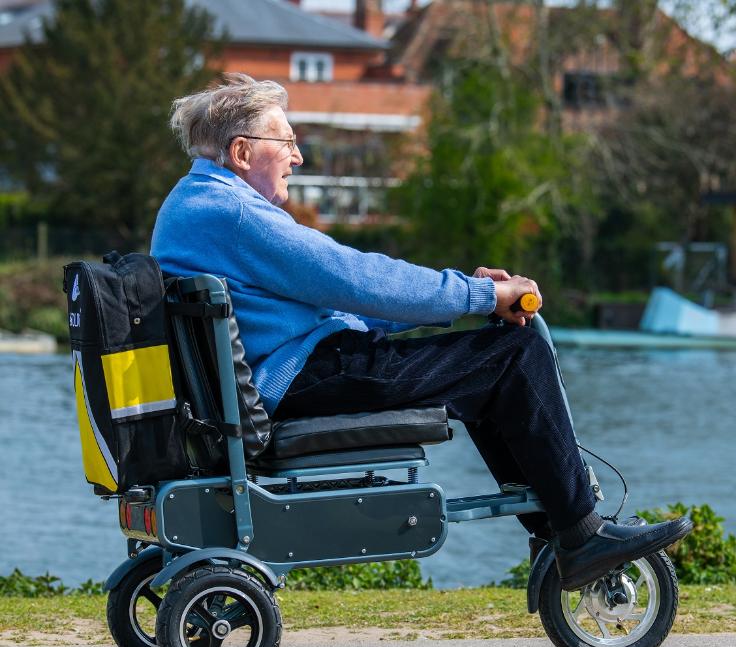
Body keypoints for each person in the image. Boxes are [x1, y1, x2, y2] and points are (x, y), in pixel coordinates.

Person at [151, 74, 691, 590]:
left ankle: (563, 530)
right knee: (516, 352)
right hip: (303, 375)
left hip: (295, 370)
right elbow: (354, 277)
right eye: (286, 142)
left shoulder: (195, 204)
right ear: (243, 152)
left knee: (492, 367)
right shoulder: (236, 214)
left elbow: (343, 298)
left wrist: (466, 300)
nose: (297, 156)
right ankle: (580, 532)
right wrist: (479, 297)